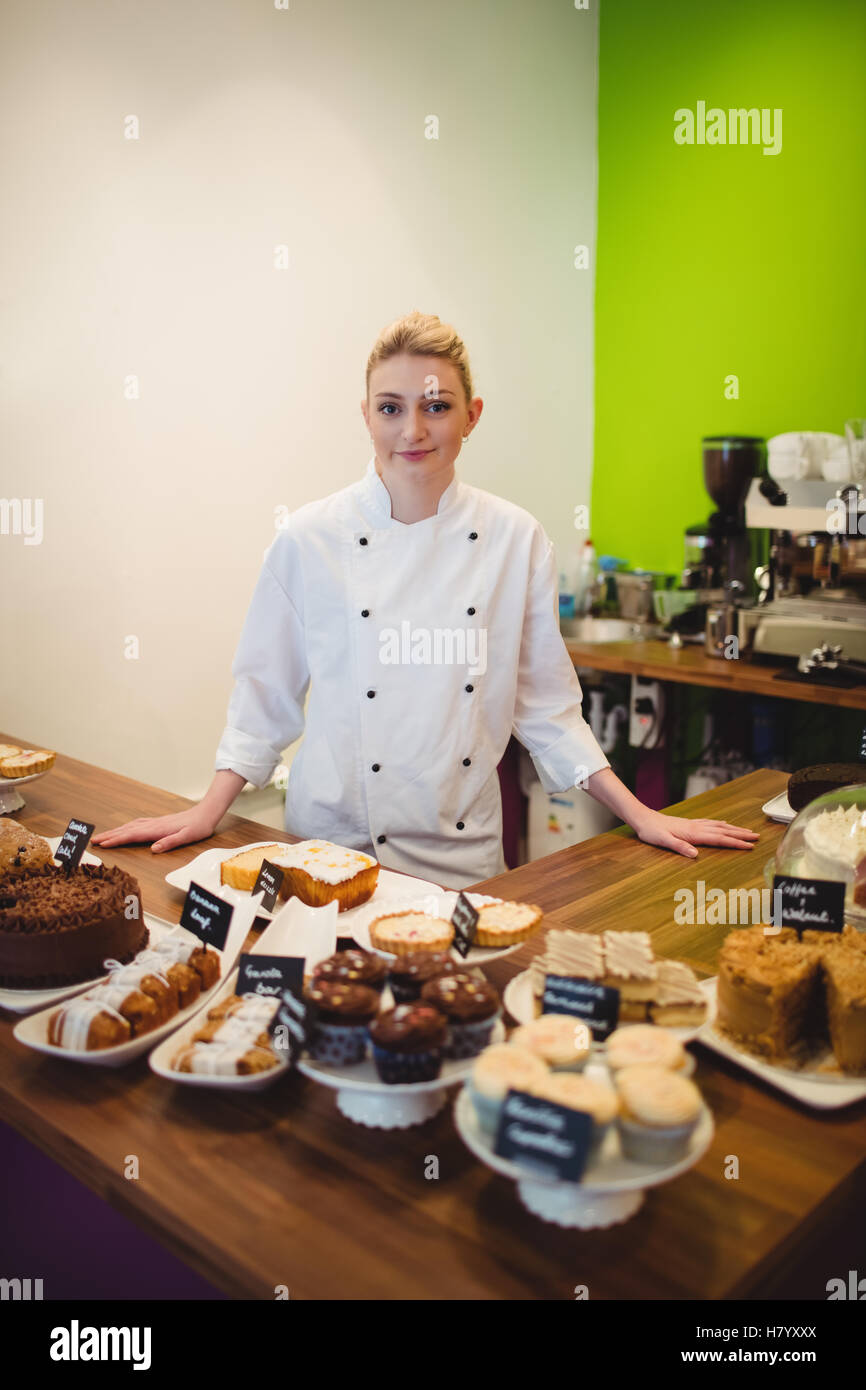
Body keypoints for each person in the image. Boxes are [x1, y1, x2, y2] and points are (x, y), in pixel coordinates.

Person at [93, 311, 759, 886]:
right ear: (366, 416)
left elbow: (548, 710)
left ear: (471, 414)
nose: (412, 428)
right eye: (391, 407)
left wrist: (641, 814)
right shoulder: (308, 538)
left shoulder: (514, 540)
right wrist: (208, 810)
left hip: (460, 860)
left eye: (436, 406)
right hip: (323, 849)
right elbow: (263, 698)